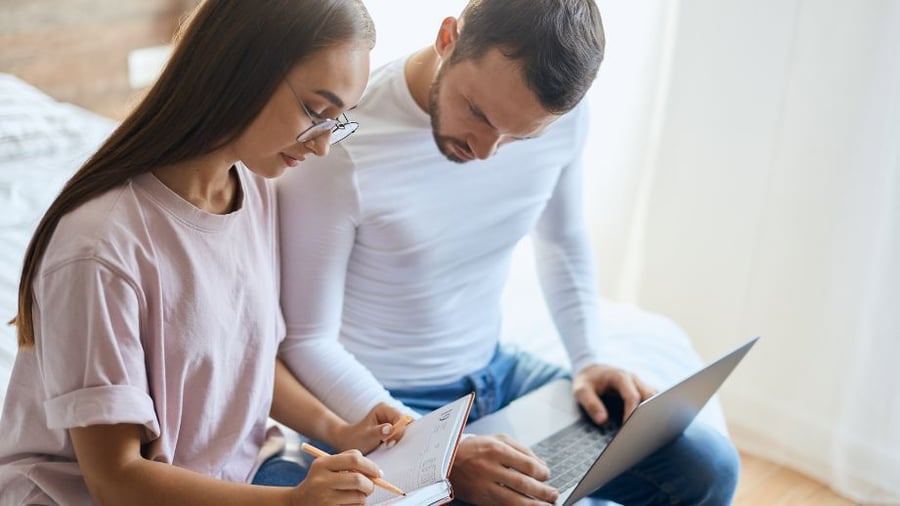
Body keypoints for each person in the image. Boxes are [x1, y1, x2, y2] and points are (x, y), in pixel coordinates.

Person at [276, 0, 742, 504]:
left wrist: (588, 357)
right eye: (477, 112)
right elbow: (307, 342)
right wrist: (438, 450)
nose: (485, 151)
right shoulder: (342, 147)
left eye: (519, 136)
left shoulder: (559, 115)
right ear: (447, 38)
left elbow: (562, 241)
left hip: (498, 374)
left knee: (708, 468)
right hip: (382, 406)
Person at [0, 1, 410, 505]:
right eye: (314, 111)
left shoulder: (250, 185)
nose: (322, 146)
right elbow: (115, 480)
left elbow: (240, 361)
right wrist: (291, 502)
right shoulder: (99, 248)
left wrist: (339, 428)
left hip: (227, 481)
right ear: (238, 69)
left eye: (337, 121)